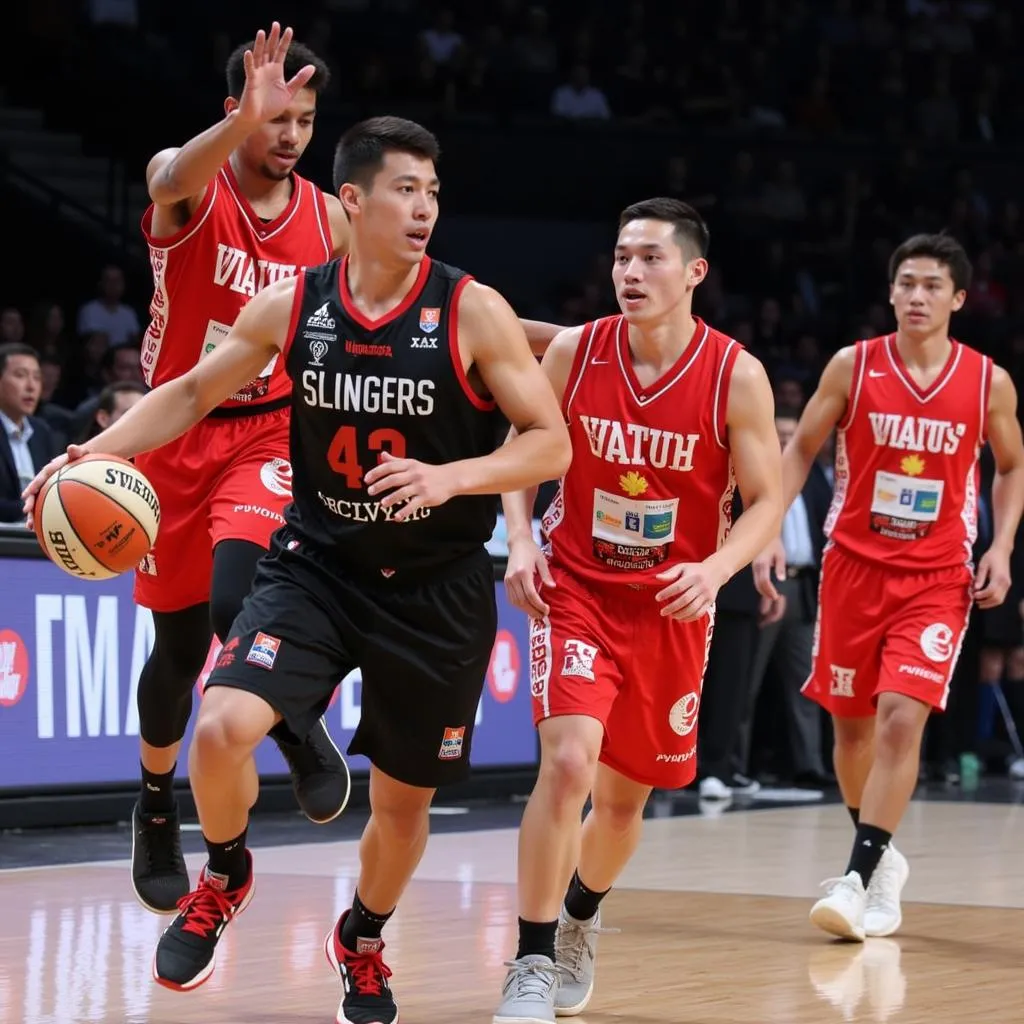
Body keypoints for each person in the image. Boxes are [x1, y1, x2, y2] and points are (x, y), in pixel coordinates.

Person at [24, 115, 572, 1023]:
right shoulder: (296, 303)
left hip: (437, 590)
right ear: (351, 200)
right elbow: (192, 391)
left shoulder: (472, 308)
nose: (425, 206)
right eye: (406, 188)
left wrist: (453, 475)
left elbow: (549, 440)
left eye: (434, 191)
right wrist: (91, 450)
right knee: (219, 727)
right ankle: (227, 870)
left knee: (400, 817)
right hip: (320, 566)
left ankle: (361, 938)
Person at [493, 198, 784, 1023]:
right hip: (576, 587)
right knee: (570, 764)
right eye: (622, 257)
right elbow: (524, 448)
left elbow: (765, 498)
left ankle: (582, 911)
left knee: (623, 804)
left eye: (651, 258)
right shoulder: (577, 353)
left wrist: (721, 565)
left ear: (694, 272)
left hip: (671, 606)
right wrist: (519, 539)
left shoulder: (737, 374)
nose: (631, 272)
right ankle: (532, 959)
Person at [126, 22, 354, 917]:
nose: (290, 134)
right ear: (236, 112)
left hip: (266, 433)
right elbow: (167, 178)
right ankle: (151, 804)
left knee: (239, 600)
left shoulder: (326, 218)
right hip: (171, 430)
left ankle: (296, 723)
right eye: (274, 116)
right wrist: (235, 126)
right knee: (179, 652)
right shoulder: (190, 186)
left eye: (303, 118)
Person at [753, 233, 1024, 941]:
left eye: (932, 285)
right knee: (852, 732)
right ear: (891, 291)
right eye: (906, 283)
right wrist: (770, 531)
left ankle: (856, 874)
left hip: (937, 577)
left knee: (902, 717)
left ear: (959, 298)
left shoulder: (986, 380)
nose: (916, 296)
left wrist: (1001, 545)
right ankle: (883, 861)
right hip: (852, 569)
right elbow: (800, 449)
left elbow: (1012, 465)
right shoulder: (854, 365)